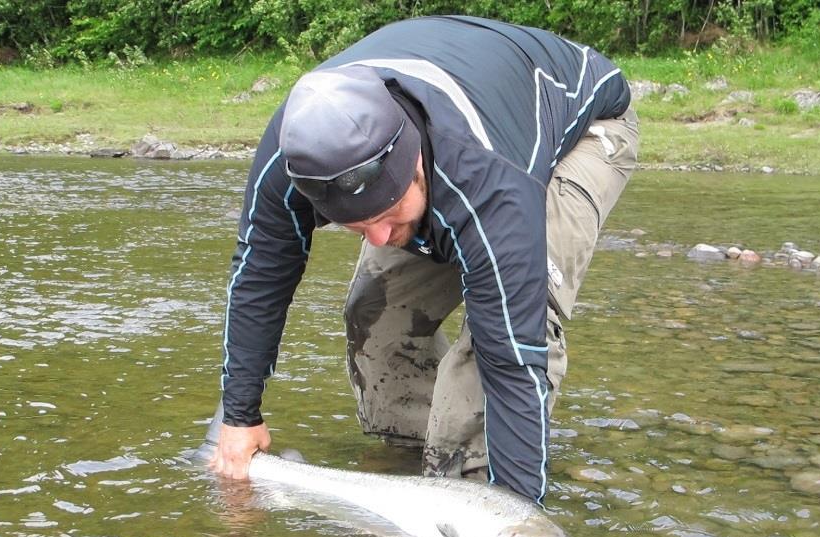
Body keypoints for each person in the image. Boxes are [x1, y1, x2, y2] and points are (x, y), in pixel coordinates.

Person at [208, 15, 638, 503]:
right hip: (460, 107)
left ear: (414, 166)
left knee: (492, 344)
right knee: (375, 314)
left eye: (388, 216)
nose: (379, 237)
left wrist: (515, 524)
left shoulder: (489, 181)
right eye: (356, 227)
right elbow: (261, 276)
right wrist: (239, 417)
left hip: (584, 130)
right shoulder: (294, 159)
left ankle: (470, 484)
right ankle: (411, 458)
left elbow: (513, 360)